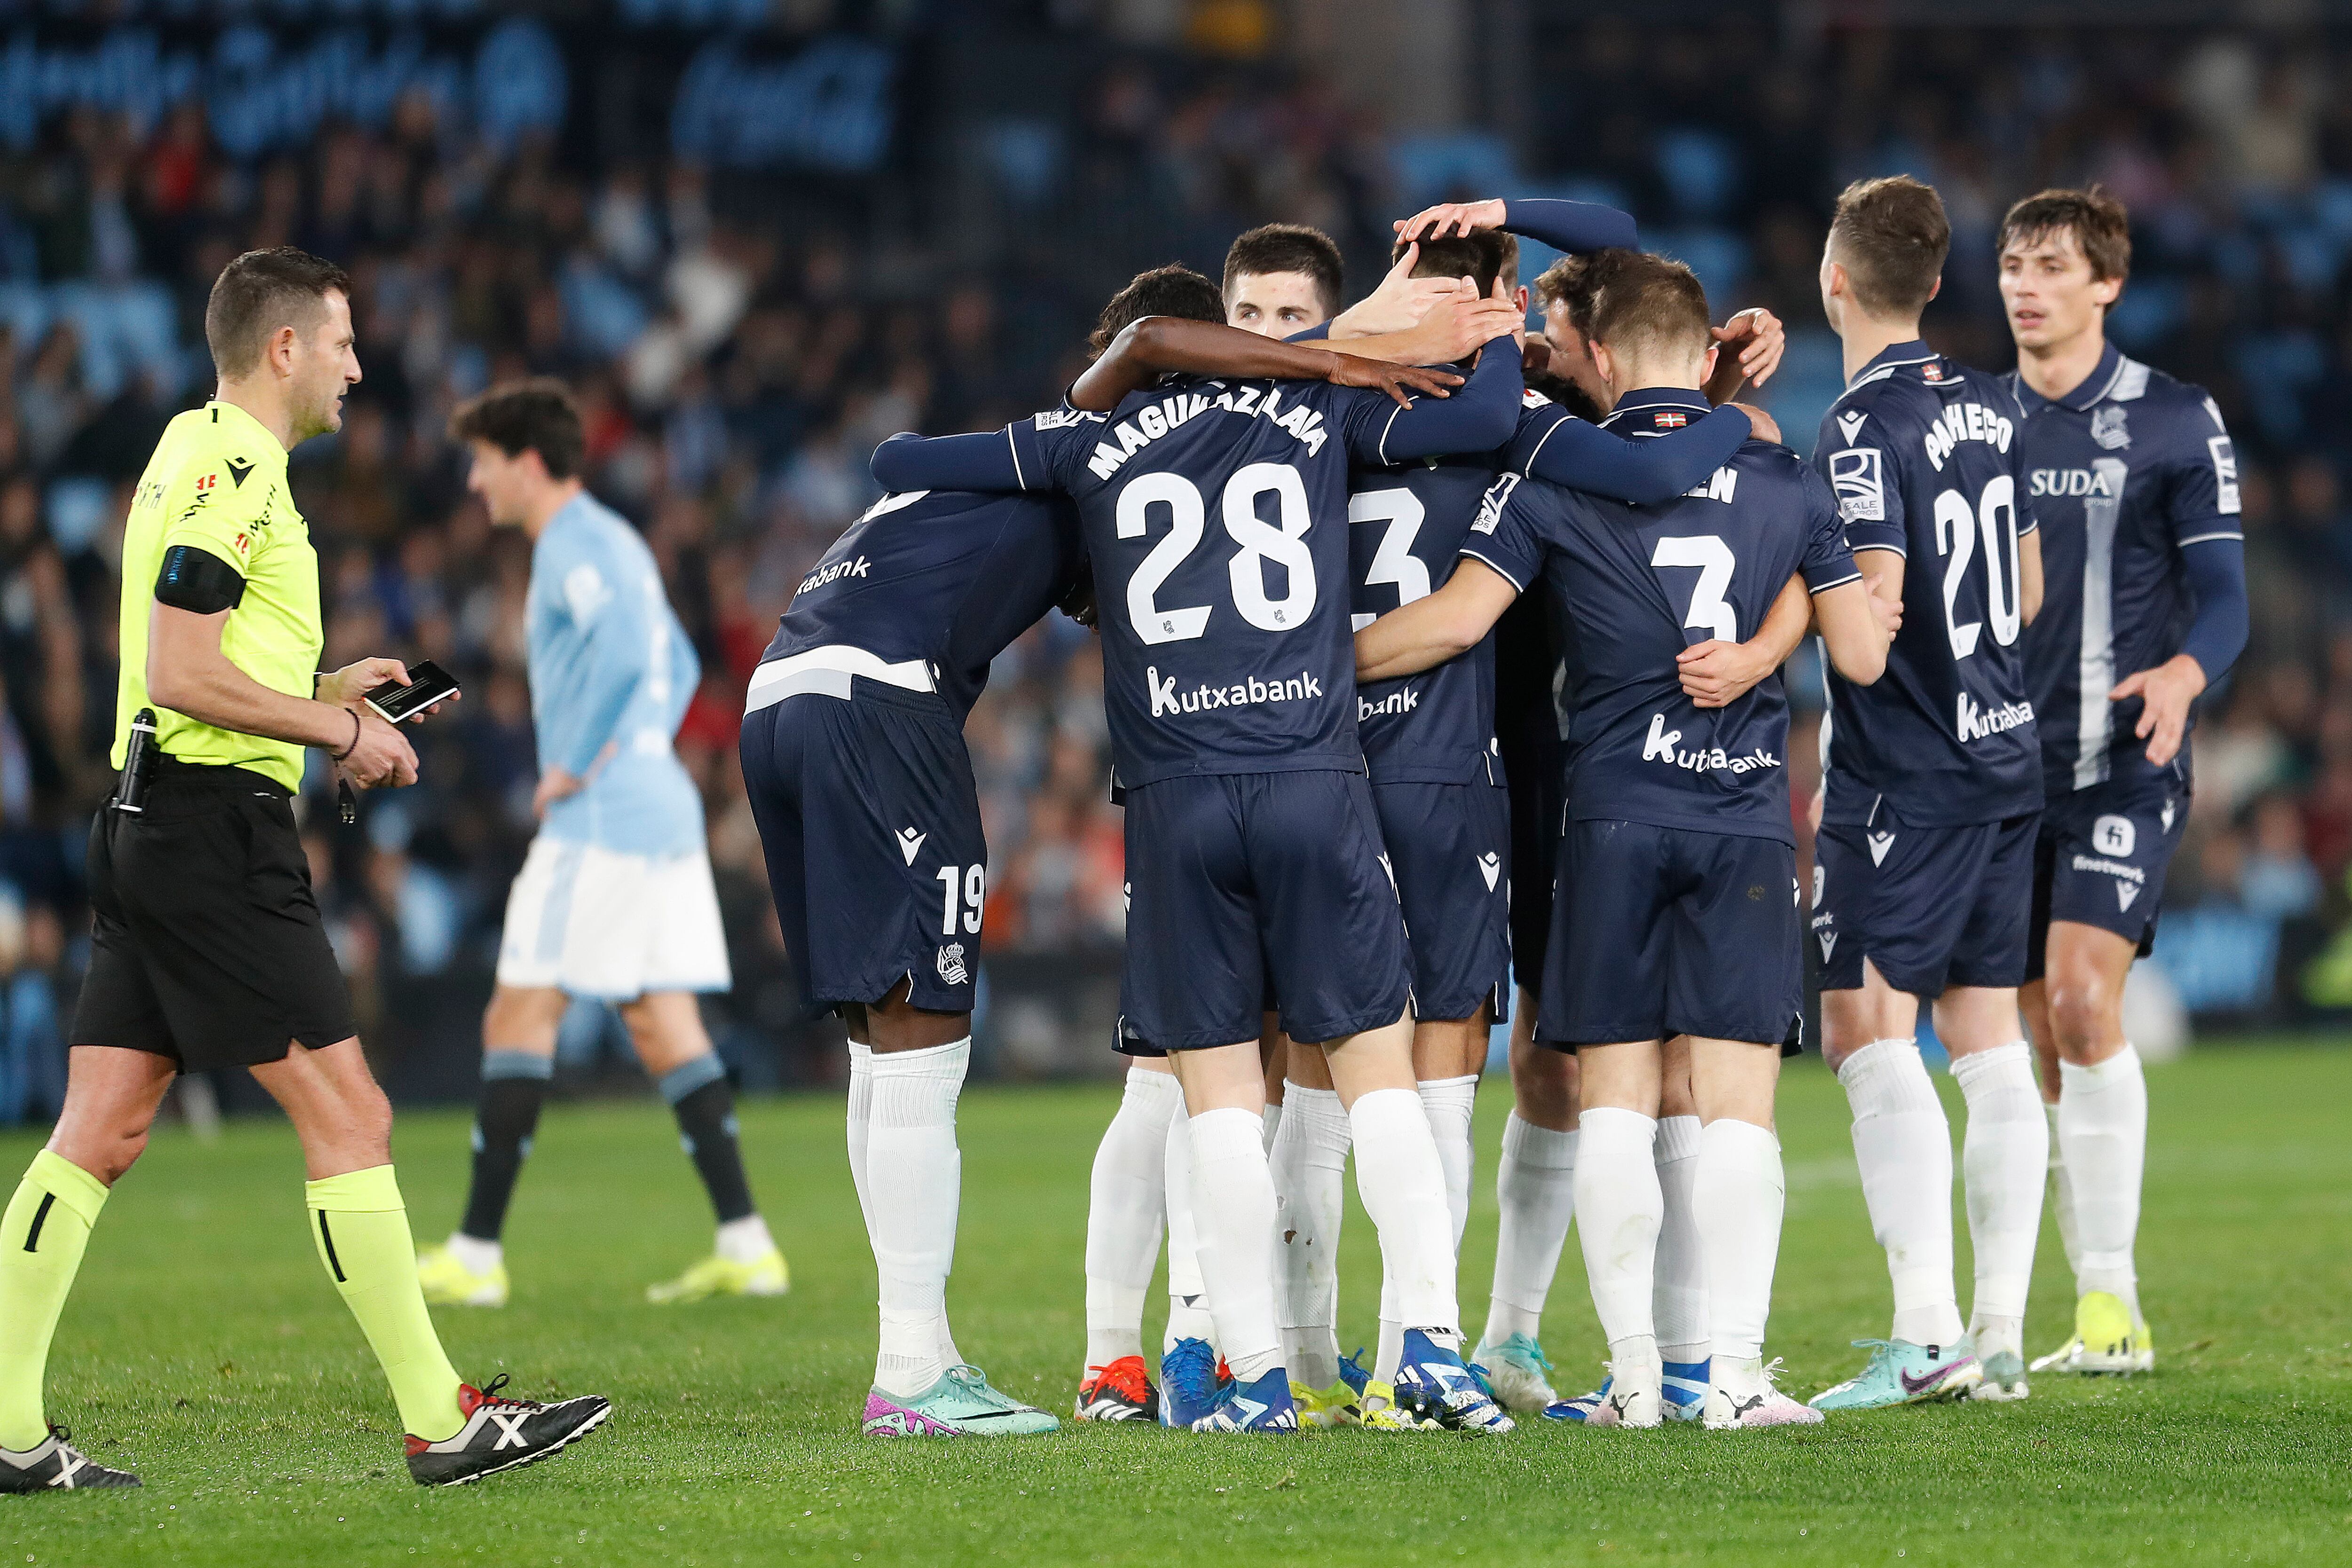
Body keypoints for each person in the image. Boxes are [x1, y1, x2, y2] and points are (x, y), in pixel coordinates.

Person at [872, 265, 1523, 1435]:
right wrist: (1366, 349)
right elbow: (1474, 423)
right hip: (1313, 774)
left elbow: (904, 461)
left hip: (1175, 800)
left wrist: (1076, 423)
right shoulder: (1312, 410)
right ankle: (1430, 1345)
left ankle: (1254, 1377)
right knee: (1381, 1074)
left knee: (1212, 1097)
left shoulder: (1088, 441)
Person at [0, 248, 608, 1493]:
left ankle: (6, 1430)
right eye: (340, 341)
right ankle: (442, 1419)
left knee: (100, 1130)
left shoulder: (188, 446)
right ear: (283, 349)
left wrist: (328, 688)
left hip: (151, 814)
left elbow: (192, 666)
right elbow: (177, 667)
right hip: (210, 836)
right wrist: (342, 733)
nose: (356, 364)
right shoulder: (239, 471)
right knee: (353, 1116)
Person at [1263, 204, 1785, 1427]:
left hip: (1515, 759)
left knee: (1541, 1060)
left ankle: (1499, 1337)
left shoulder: (1340, 414)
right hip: (1499, 761)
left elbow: (1625, 262)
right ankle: (1436, 1341)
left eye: (1560, 319)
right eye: (1529, 310)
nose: (1545, 334)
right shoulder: (1517, 421)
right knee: (1520, 1058)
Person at [1356, 248, 1894, 1430]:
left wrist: (1299, 669)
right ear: (1707, 356)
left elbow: (1452, 623)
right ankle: (1737, 1376)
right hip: (1745, 817)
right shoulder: (1787, 475)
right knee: (1733, 1105)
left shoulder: (1553, 483)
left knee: (1609, 1099)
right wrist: (1775, 637)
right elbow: (1860, 655)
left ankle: (1638, 1379)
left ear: (1596, 356)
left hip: (1606, 817)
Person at [414, 380, 784, 1310]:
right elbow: (681, 660)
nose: (473, 479)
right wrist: (643, 740)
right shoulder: (618, 539)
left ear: (527, 463)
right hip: (657, 813)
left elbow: (624, 653)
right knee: (666, 1024)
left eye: (484, 461)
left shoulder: (573, 545)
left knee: (518, 1015)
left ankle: (475, 1251)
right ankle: (747, 1242)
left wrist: (575, 760)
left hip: (603, 823)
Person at [1803, 176, 2051, 1411]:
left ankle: (1926, 1334)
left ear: (1834, 280)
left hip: (1908, 768)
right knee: (1992, 1041)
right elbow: (2032, 580)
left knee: (1864, 1026)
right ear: (1940, 281)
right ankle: (1997, 1337)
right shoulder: (1995, 405)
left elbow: (1866, 632)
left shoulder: (1859, 428)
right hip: (2006, 751)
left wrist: (1787, 587)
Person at [1998, 187, 2248, 1376]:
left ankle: (2112, 1304)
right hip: (1998, 764)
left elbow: (2228, 594)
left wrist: (2185, 674)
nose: (2024, 284)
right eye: (2010, 264)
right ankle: (2090, 1306)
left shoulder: (2172, 420)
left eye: (2051, 265)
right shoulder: (1976, 424)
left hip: (2120, 761)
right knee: (2039, 1024)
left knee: (2083, 999)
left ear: (2106, 285)